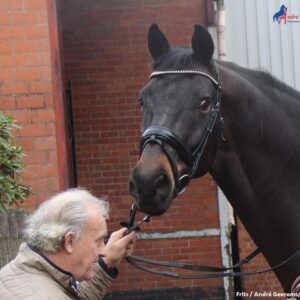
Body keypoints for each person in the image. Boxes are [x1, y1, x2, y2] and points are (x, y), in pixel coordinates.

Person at [0, 188, 136, 299]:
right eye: (98, 241)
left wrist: (108, 262)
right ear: (69, 242)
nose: (103, 251)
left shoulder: (21, 273)